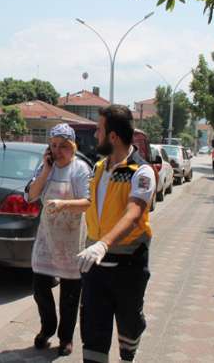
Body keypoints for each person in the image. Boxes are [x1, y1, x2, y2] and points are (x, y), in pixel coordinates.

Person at [76, 105, 156, 363]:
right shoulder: (99, 168)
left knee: (128, 327)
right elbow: (95, 205)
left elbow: (134, 212)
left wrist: (104, 243)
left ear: (113, 137)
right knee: (93, 332)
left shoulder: (141, 172)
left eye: (99, 130)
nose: (95, 135)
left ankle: (130, 342)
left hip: (128, 266)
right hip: (96, 267)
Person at [26, 123, 91, 356]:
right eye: (53, 146)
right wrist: (45, 170)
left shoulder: (80, 169)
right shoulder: (45, 167)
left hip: (72, 240)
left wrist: (64, 204)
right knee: (39, 287)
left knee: (70, 295)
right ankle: (47, 327)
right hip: (47, 238)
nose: (57, 150)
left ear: (72, 147)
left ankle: (66, 338)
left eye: (63, 146)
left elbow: (87, 202)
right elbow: (31, 195)